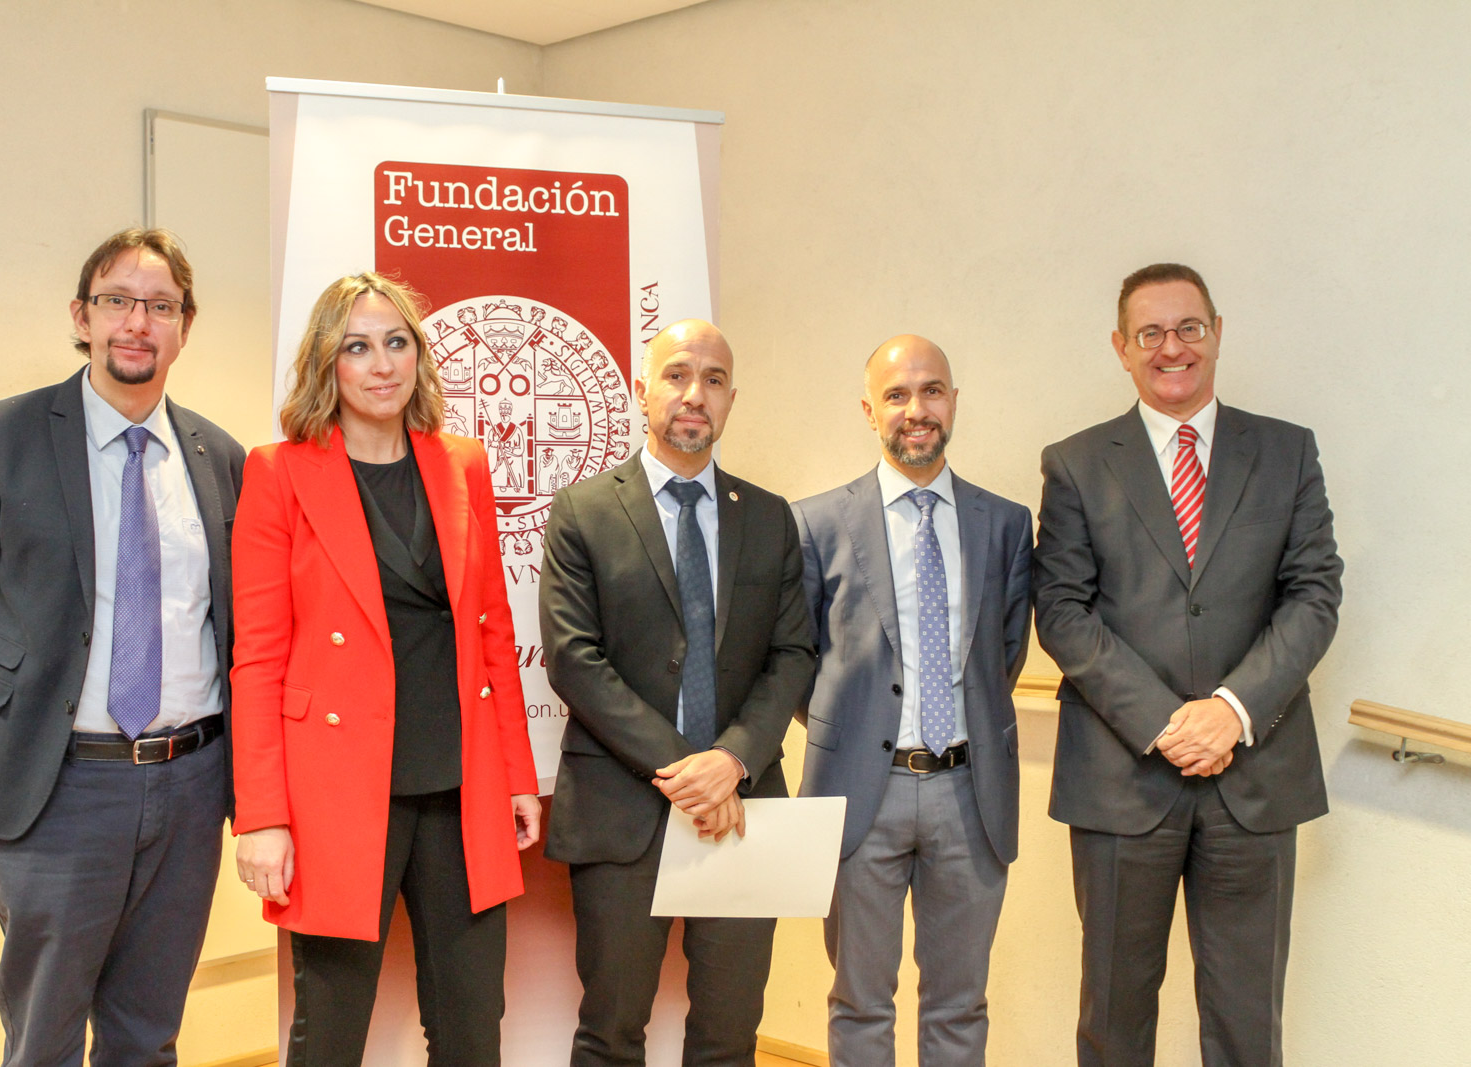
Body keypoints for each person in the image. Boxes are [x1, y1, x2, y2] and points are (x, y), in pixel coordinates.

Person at [0, 227, 244, 1066]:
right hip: (59, 785)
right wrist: (32, 711)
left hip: (191, 782)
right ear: (82, 315)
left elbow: (233, 622)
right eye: (117, 301)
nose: (138, 322)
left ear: (184, 325)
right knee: (45, 1036)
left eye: (160, 305)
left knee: (147, 1032)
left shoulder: (222, 459)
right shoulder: (0, 437)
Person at [1033, 264, 1342, 1066]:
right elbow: (1063, 611)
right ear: (1121, 348)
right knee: (1114, 1019)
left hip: (1256, 779)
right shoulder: (1074, 464)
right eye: (1152, 333)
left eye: (1189, 328)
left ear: (1215, 332)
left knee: (1247, 1022)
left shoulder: (1286, 451)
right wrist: (1168, 720)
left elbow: (1313, 594)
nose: (1173, 348)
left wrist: (1231, 711)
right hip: (1121, 779)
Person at [231, 272, 541, 1066]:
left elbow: (491, 633)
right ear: (326, 364)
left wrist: (513, 772)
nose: (380, 364)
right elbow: (258, 657)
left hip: (457, 780)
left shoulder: (461, 462)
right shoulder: (279, 472)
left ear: (418, 356)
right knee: (330, 1034)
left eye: (396, 342)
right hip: (335, 787)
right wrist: (262, 813)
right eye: (357, 347)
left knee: (472, 1029)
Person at [539, 319, 815, 1066]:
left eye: (715, 380)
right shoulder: (584, 511)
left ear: (731, 400)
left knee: (729, 1036)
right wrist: (688, 768)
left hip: (743, 803)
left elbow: (793, 653)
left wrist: (731, 760)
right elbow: (574, 659)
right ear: (642, 389)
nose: (696, 394)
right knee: (611, 1031)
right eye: (678, 374)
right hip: (624, 809)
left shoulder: (767, 515)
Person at [794, 335, 1032, 1065]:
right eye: (896, 395)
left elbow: (1006, 652)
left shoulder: (1005, 523)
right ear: (870, 410)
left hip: (970, 791)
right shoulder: (817, 521)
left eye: (931, 391)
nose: (916, 410)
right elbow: (800, 660)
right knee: (860, 1002)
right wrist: (859, 730)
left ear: (954, 402)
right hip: (860, 792)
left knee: (960, 1005)